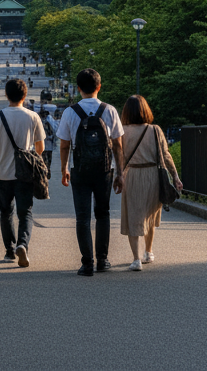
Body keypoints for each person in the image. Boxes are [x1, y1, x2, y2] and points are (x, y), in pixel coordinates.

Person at [57, 68, 124, 277]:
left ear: (78, 89)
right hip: (104, 170)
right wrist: (120, 172)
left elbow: (64, 145)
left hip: (80, 170)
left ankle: (87, 263)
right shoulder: (110, 110)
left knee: (82, 217)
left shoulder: (70, 112)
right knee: (103, 214)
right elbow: (118, 145)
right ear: (99, 86)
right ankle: (102, 260)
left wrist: (64, 169)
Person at [0, 78, 45, 267]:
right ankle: (22, 244)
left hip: (2, 172)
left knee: (5, 212)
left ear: (6, 95)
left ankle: (10, 251)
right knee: (25, 212)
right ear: (25, 95)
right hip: (25, 174)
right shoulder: (32, 117)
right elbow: (40, 147)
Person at [118, 94, 182, 270]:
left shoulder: (123, 131)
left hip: (132, 175)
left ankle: (136, 259)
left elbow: (120, 157)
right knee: (150, 215)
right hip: (153, 175)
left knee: (133, 216)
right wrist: (175, 176)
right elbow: (166, 155)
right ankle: (148, 252)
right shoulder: (155, 130)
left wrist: (118, 176)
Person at [40, 108, 56, 178]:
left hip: (43, 144)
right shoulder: (50, 121)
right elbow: (54, 131)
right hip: (49, 143)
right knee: (49, 158)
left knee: (43, 158)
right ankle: (48, 169)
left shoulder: (40, 122)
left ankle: (44, 170)